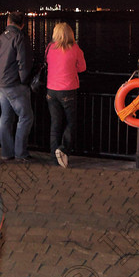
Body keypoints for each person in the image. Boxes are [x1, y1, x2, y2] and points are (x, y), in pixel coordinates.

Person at [45, 22, 86, 168]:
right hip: (68, 91)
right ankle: (63, 149)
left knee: (55, 123)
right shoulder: (74, 48)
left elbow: (48, 63)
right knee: (71, 122)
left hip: (51, 91)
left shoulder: (49, 47)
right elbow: (82, 67)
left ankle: (53, 156)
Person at [0, 12, 34, 160]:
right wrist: (24, 81)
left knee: (5, 117)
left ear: (8, 21)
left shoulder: (0, 38)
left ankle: (6, 153)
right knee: (26, 116)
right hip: (14, 84)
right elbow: (23, 62)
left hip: (0, 83)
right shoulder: (19, 38)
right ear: (22, 24)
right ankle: (20, 153)